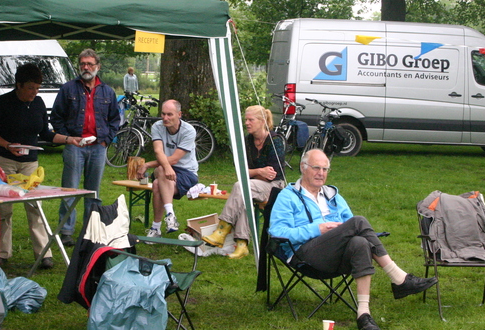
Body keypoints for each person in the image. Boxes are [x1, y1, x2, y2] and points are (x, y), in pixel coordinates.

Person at [269, 149, 438, 330]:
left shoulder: (333, 196)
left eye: (325, 169)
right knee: (358, 221)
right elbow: (277, 231)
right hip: (305, 255)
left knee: (361, 242)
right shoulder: (288, 196)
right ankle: (399, 278)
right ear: (303, 167)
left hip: (337, 256)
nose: (321, 173)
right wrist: (317, 229)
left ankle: (363, 314)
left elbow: (353, 228)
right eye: (316, 168)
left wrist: (337, 232)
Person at [0, 63, 73, 270]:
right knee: (4, 209)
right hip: (4, 160)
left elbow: (46, 133)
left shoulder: (39, 103)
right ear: (19, 85)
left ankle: (44, 253)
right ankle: (2, 254)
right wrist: (8, 145)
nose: (34, 92)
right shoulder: (2, 102)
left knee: (35, 207)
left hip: (30, 162)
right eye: (30, 88)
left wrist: (70, 139)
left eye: (37, 88)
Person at [50, 49, 120, 247]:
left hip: (98, 147)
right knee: (70, 189)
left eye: (90, 64)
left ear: (98, 66)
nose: (86, 68)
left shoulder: (107, 91)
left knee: (93, 191)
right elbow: (56, 116)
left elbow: (115, 119)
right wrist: (68, 138)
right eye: (82, 64)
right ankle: (66, 231)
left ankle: (91, 229)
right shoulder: (68, 89)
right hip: (75, 146)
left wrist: (106, 139)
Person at [203, 105, 286, 259]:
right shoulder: (246, 141)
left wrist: (251, 174)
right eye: (246, 119)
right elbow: (240, 171)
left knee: (241, 187)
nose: (247, 123)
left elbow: (273, 174)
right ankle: (241, 245)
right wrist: (259, 172)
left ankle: (222, 230)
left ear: (262, 121)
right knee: (243, 192)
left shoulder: (275, 141)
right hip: (253, 185)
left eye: (250, 120)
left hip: (275, 187)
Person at [136, 99, 198, 238]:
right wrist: (166, 166)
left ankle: (156, 227)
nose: (165, 118)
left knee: (158, 182)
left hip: (187, 172)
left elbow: (175, 159)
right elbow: (158, 151)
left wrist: (148, 165)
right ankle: (170, 217)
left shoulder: (189, 131)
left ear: (179, 114)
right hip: (165, 170)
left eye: (169, 114)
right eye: (163, 114)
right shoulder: (157, 126)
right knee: (160, 174)